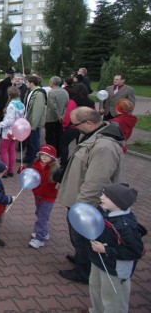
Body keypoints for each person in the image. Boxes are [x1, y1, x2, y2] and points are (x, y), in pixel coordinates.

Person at [57, 107, 126, 284]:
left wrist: (81, 207)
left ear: (89, 123)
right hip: (79, 197)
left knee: (83, 236)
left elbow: (96, 181)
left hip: (86, 203)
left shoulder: (104, 146)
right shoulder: (91, 135)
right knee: (79, 237)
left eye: (75, 124)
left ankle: (84, 271)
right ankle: (83, 258)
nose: (73, 127)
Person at [86, 183, 146, 313]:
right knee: (95, 287)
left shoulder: (126, 226)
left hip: (115, 268)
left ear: (119, 203)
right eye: (102, 194)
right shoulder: (105, 211)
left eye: (106, 196)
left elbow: (136, 251)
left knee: (113, 298)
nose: (101, 197)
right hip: (99, 260)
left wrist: (106, 250)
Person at [28, 144, 59, 249]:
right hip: (37, 194)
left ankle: (39, 239)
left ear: (52, 157)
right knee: (39, 213)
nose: (44, 157)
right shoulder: (36, 164)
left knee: (42, 216)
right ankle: (44, 232)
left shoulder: (55, 169)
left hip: (48, 196)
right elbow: (32, 176)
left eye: (47, 155)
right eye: (42, 155)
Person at [0, 87, 25, 177]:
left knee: (4, 150)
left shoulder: (12, 105)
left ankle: (4, 171)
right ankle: (10, 170)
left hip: (8, 131)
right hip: (16, 131)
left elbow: (9, 121)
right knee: (12, 150)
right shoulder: (21, 104)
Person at [44, 76, 69, 154]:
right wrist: (63, 115)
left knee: (50, 136)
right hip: (61, 117)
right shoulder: (65, 91)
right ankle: (59, 151)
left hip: (51, 118)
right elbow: (67, 105)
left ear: (52, 83)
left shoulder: (52, 92)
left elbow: (53, 106)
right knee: (59, 135)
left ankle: (51, 152)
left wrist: (58, 116)